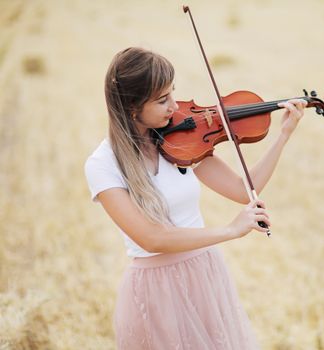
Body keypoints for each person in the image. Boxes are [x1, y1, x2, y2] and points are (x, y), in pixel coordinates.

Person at [84, 47, 306, 350]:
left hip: (204, 274)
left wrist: (283, 136)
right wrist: (230, 230)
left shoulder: (181, 143)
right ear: (132, 107)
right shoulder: (103, 164)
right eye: (163, 100)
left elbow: (244, 189)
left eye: (172, 94)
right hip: (156, 290)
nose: (175, 106)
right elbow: (152, 239)